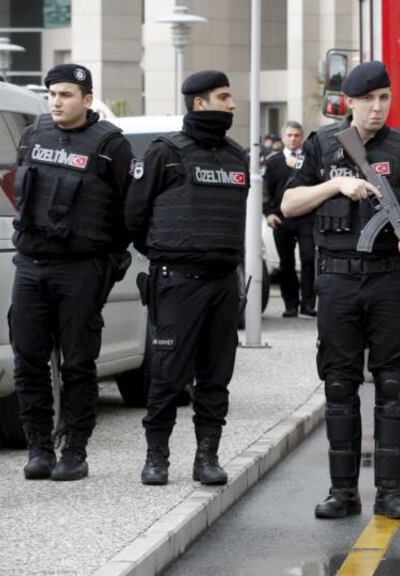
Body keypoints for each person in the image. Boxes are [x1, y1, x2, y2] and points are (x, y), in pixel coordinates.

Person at [281, 61, 400, 520]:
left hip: (391, 277)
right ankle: (342, 492)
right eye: (369, 99)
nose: (377, 107)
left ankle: (390, 492)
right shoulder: (322, 145)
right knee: (339, 383)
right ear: (349, 102)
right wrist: (336, 183)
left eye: (384, 98)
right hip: (337, 278)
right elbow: (290, 203)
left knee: (394, 383)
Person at [11, 63, 133, 481]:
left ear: (86, 98)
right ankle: (39, 448)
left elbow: (126, 214)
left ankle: (75, 451)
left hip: (80, 268)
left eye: (66, 94)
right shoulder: (33, 134)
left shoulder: (110, 146)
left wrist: (109, 264)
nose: (57, 102)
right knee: (28, 361)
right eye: (52, 95)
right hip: (30, 265)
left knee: (78, 364)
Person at [126, 70, 247, 486]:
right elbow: (134, 216)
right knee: (167, 374)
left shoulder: (236, 157)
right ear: (200, 103)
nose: (232, 105)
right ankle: (156, 457)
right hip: (177, 281)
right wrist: (167, 253)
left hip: (222, 284)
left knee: (216, 375)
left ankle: (207, 458)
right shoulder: (165, 153)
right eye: (224, 97)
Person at [263, 121, 315, 317]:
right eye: (290, 135)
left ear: (301, 138)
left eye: (297, 135)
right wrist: (268, 213)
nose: (293, 139)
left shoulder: (309, 159)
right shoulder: (273, 161)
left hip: (306, 218)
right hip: (281, 219)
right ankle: (290, 305)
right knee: (286, 264)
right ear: (283, 138)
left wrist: (298, 167)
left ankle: (308, 305)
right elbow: (265, 189)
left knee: (309, 260)